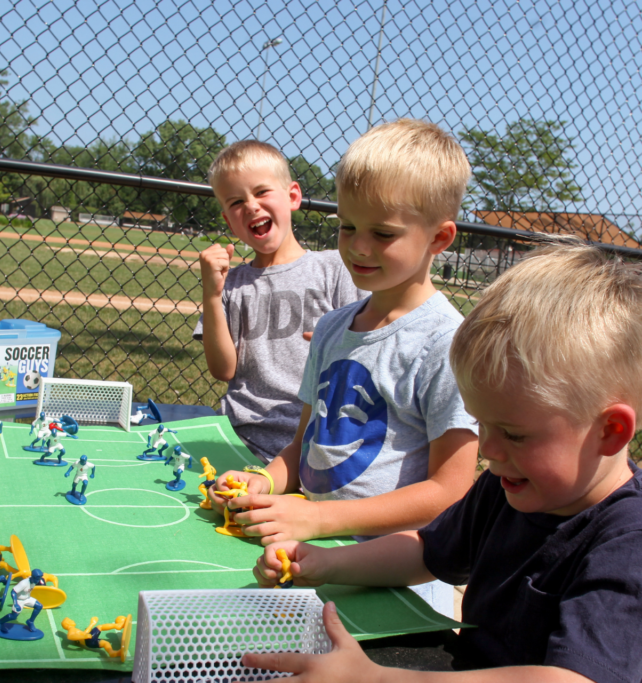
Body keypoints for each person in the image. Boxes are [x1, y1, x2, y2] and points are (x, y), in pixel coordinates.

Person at [249, 241, 642, 682]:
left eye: (513, 433)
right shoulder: (509, 484)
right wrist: (323, 563)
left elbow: (573, 679)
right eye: (481, 425)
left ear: (609, 432)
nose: (488, 451)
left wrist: (376, 678)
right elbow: (427, 551)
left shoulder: (627, 543)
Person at [213, 120, 480, 616]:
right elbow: (303, 447)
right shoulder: (334, 328)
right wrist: (266, 483)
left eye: (383, 233)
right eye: (347, 227)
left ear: (439, 238)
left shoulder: (446, 343)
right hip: (315, 548)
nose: (358, 246)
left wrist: (318, 520)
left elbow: (451, 492)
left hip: (398, 576)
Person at [193, 141, 365, 462]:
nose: (252, 206)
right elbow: (223, 369)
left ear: (292, 197)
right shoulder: (232, 284)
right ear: (229, 222)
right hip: (242, 435)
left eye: (261, 192)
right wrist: (212, 294)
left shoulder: (333, 269)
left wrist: (336, 345)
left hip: (318, 437)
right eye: (236, 201)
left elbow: (363, 353)